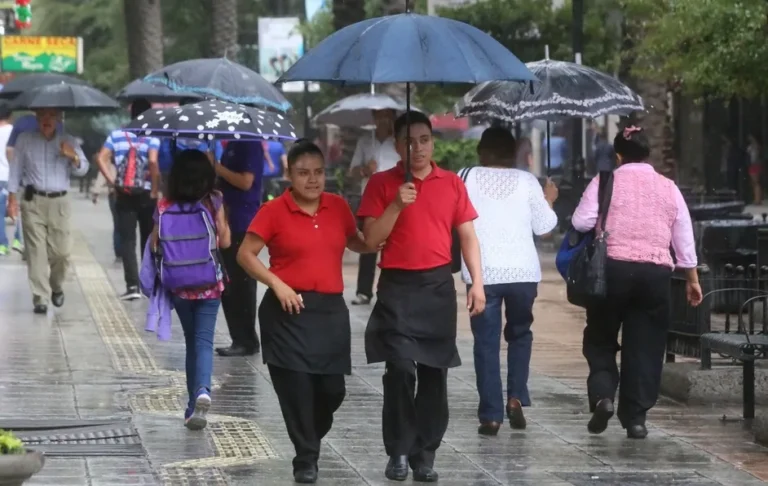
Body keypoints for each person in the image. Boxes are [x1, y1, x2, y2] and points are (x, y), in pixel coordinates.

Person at [357, 111, 486, 482]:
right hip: (397, 287)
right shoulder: (382, 184)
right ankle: (398, 449)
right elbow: (369, 241)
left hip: (437, 288)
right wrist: (397, 204)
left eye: (425, 139)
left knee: (434, 373)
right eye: (410, 141)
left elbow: (467, 236)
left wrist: (477, 282)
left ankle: (425, 453)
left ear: (433, 141)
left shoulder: (451, 184)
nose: (419, 148)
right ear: (396, 145)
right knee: (398, 368)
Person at [237, 140, 375, 484]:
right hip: (287, 312)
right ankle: (306, 457)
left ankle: (309, 438)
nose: (312, 180)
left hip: (329, 312)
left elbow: (357, 241)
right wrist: (277, 284)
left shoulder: (338, 206)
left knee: (332, 390)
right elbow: (246, 254)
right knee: (297, 389)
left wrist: (380, 232)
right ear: (289, 175)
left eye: (318, 173)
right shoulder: (273, 211)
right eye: (303, 173)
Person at [571, 125, 702, 439]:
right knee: (645, 345)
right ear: (648, 154)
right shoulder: (668, 186)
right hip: (654, 274)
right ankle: (636, 419)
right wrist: (692, 278)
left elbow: (581, 221)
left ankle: (603, 396)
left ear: (618, 156)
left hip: (610, 271)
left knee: (601, 337)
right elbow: (683, 233)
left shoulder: (605, 181)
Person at [464, 128, 558, 436]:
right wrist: (550, 199)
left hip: (482, 274)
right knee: (520, 334)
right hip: (522, 274)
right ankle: (516, 396)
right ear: (513, 153)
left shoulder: (465, 176)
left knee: (486, 343)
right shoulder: (528, 181)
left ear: (481, 151)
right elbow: (544, 228)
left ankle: (491, 415)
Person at [150, 149, 231, 430]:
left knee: (191, 341)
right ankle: (202, 391)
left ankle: (190, 406)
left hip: (179, 287)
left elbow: (153, 244)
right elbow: (226, 242)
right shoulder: (214, 201)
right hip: (209, 284)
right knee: (204, 340)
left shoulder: (163, 206)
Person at [7, 108, 89, 314]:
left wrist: (73, 157)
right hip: (32, 201)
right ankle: (40, 297)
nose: (46, 120)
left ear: (58, 119)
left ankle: (57, 286)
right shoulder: (25, 139)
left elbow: (84, 168)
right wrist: (12, 199)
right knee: (36, 252)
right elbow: (16, 169)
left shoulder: (67, 140)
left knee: (61, 253)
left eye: (51, 116)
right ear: (36, 118)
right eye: (42, 115)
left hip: (59, 203)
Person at [97, 98, 161, 301]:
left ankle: (131, 285)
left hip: (123, 193)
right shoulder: (152, 137)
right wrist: (156, 189)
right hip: (145, 193)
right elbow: (152, 161)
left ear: (131, 113)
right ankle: (146, 284)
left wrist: (113, 181)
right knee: (146, 240)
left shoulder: (117, 135)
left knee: (127, 240)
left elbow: (101, 158)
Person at [214, 140, 265, 357]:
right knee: (228, 281)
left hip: (243, 221)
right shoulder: (231, 145)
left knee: (242, 281)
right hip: (226, 220)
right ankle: (238, 337)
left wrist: (216, 167)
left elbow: (246, 181)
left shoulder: (250, 145)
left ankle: (247, 340)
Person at [348, 109, 400, 306]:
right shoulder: (365, 141)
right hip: (370, 199)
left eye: (388, 116)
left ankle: (392, 290)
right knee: (369, 245)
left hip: (395, 201)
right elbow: (351, 172)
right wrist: (364, 170)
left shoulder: (399, 142)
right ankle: (364, 291)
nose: (384, 120)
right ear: (374, 118)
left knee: (395, 246)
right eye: (380, 116)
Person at [0, 102, 22, 256]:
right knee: (18, 209)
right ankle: (18, 239)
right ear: (10, 115)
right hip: (11, 175)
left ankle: (2, 245)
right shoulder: (14, 132)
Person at [91, 157, 121, 262]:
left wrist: (96, 193)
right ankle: (124, 251)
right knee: (125, 225)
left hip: (114, 194)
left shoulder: (108, 160)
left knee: (118, 224)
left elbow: (101, 177)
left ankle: (119, 252)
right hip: (128, 194)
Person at [747, 133, 763, 204]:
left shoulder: (756, 146)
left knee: (756, 182)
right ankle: (756, 198)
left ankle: (757, 199)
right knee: (754, 183)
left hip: (755, 165)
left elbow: (755, 155)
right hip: (753, 165)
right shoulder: (752, 146)